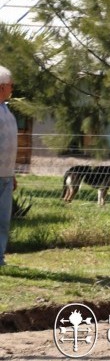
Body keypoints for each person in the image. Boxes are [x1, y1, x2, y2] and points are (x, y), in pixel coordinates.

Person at [0, 65, 17, 267]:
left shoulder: (6, 110)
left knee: (3, 221)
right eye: (10, 85)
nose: (12, 88)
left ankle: (0, 258)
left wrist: (11, 174)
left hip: (4, 175)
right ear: (2, 86)